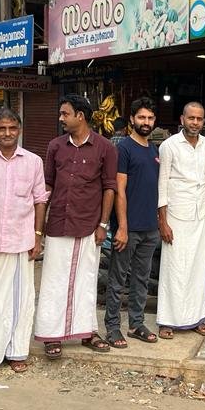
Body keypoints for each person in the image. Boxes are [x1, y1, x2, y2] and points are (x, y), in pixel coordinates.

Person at [34, 94, 117, 358]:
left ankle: (86, 332)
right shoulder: (55, 146)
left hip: (88, 224)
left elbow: (110, 188)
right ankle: (51, 335)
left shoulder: (105, 148)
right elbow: (47, 185)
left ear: (80, 116)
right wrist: (39, 224)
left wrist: (103, 224)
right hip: (58, 222)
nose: (61, 118)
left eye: (64, 114)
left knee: (86, 280)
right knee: (53, 281)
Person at [0, 108, 48, 372]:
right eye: (1, 129)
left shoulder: (33, 161)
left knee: (20, 299)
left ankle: (16, 351)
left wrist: (37, 237)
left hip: (21, 240)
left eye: (12, 128)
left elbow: (39, 200)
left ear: (19, 130)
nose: (7, 133)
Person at [103, 97, 160, 348]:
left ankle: (136, 323)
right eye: (141, 118)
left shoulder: (155, 150)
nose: (145, 122)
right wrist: (122, 227)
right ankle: (113, 327)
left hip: (150, 227)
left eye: (149, 118)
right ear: (132, 120)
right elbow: (120, 190)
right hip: (128, 228)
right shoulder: (124, 148)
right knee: (118, 279)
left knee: (142, 279)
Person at [157, 101, 205, 339]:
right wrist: (163, 221)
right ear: (182, 119)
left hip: (201, 215)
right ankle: (167, 320)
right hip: (176, 216)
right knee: (174, 268)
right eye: (191, 118)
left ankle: (196, 318)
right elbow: (162, 184)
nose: (195, 123)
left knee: (198, 268)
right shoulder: (169, 145)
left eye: (199, 119)